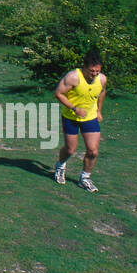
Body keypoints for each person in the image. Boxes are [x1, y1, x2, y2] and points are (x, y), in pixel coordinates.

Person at [53, 51, 107, 192]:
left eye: (97, 71)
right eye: (91, 71)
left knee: (93, 151)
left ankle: (85, 178)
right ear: (84, 67)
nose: (94, 74)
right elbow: (58, 93)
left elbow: (102, 92)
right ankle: (60, 166)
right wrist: (74, 108)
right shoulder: (73, 77)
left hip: (89, 117)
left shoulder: (102, 79)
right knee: (71, 149)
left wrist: (99, 111)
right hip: (71, 117)